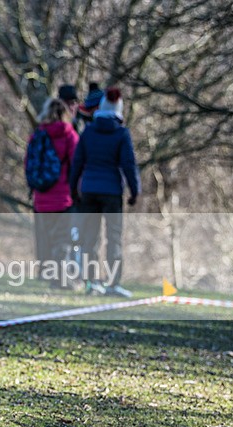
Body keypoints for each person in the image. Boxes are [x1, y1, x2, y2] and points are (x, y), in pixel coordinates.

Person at [69, 87, 140, 297]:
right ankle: (112, 283)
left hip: (89, 190)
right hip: (112, 192)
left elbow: (77, 163)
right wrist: (134, 191)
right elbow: (129, 164)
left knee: (90, 238)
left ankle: (92, 283)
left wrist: (73, 189)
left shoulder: (88, 132)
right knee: (114, 238)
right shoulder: (121, 133)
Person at [26, 98, 79, 288]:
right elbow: (77, 164)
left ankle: (50, 275)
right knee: (63, 240)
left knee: (48, 239)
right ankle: (61, 279)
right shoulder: (69, 135)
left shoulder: (38, 135)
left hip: (41, 197)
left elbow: (29, 164)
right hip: (63, 196)